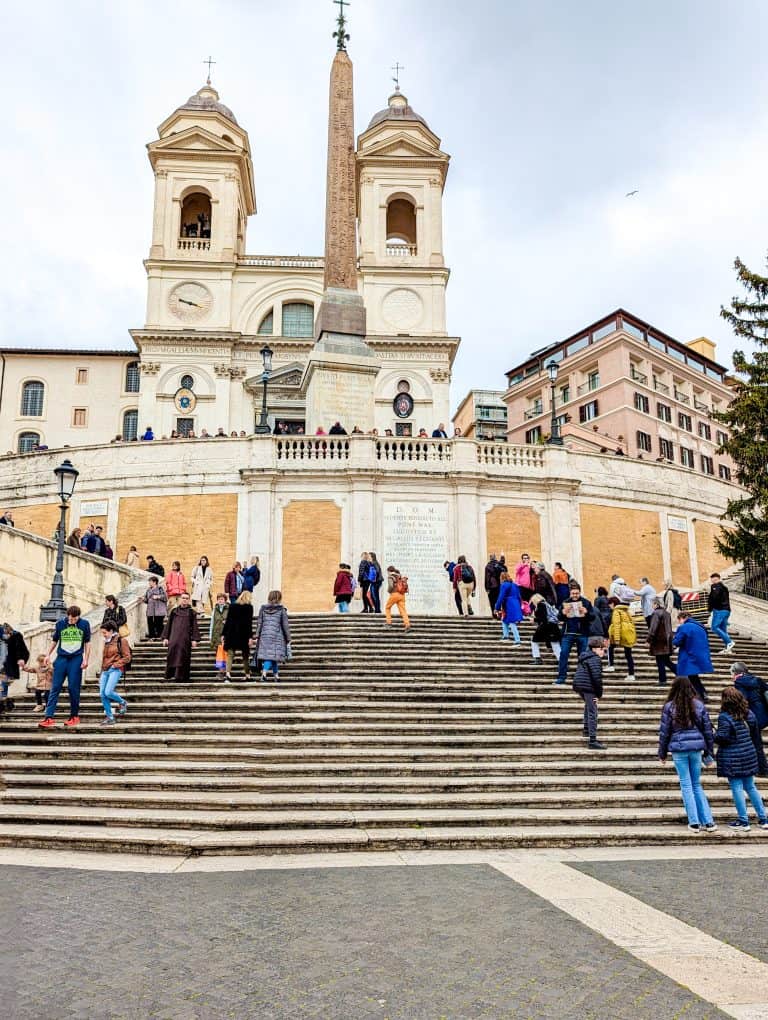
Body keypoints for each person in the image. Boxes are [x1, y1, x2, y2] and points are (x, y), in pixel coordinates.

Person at [657, 675, 717, 833]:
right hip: (697, 749)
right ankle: (709, 822)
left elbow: (664, 732)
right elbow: (708, 731)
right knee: (697, 784)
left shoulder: (669, 706)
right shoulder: (698, 704)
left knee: (686, 785)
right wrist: (709, 752)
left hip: (679, 749)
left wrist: (662, 753)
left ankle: (694, 822)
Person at [714, 686, 768, 831]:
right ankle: (763, 819)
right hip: (748, 753)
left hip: (733, 757)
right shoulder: (749, 713)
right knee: (750, 787)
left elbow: (723, 738)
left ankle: (743, 821)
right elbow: (754, 733)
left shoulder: (724, 716)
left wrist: (714, 734)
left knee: (737, 788)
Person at [38, 605, 91, 729]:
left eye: (74, 619)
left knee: (73, 688)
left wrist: (86, 659)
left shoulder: (84, 624)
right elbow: (55, 640)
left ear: (78, 616)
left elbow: (87, 643)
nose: (72, 621)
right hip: (61, 658)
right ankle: (48, 717)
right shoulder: (60, 624)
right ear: (67, 615)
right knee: (54, 687)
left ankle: (74, 716)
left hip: (76, 658)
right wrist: (47, 655)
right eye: (70, 619)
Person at [554, 584, 594, 685]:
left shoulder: (586, 602)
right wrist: (563, 613)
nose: (575, 595)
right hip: (568, 633)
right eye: (573, 593)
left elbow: (593, 617)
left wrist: (586, 613)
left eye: (577, 593)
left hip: (582, 633)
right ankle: (561, 677)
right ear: (570, 593)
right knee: (563, 654)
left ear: (580, 592)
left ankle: (582, 678)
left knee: (583, 657)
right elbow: (559, 618)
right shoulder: (565, 602)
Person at [573, 636, 607, 750]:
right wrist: (599, 694)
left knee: (588, 707)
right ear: (595, 649)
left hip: (581, 686)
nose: (604, 652)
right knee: (593, 711)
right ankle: (592, 740)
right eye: (602, 649)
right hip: (588, 687)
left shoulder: (586, 657)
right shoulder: (595, 659)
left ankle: (587, 730)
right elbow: (597, 678)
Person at [673, 611, 713, 702]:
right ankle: (702, 694)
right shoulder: (701, 627)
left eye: (679, 620)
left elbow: (677, 641)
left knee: (682, 676)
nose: (679, 622)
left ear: (682, 618)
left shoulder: (684, 627)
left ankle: (681, 697)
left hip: (689, 656)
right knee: (693, 676)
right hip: (701, 655)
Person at [97, 621, 131, 726]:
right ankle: (110, 717)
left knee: (108, 692)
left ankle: (122, 702)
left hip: (115, 669)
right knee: (102, 694)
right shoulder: (106, 642)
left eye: (104, 633)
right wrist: (102, 670)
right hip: (105, 670)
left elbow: (127, 657)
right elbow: (104, 657)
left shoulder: (121, 641)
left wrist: (115, 665)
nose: (103, 635)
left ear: (111, 631)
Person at [162, 592, 200, 682]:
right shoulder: (174, 611)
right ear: (180, 599)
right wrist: (165, 637)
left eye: (187, 598)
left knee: (183, 656)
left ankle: (181, 677)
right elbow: (169, 625)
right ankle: (170, 674)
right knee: (172, 655)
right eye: (183, 598)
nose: (185, 600)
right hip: (174, 637)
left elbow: (194, 626)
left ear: (189, 600)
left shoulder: (192, 612)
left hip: (185, 639)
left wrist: (194, 639)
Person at [254, 590, 291, 681]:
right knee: (271, 656)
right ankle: (264, 673)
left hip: (264, 636)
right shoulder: (281, 610)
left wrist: (257, 635)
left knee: (272, 656)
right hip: (277, 636)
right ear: (279, 598)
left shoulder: (263, 609)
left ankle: (276, 675)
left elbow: (259, 623)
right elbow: (285, 625)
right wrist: (288, 638)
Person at [222, 590, 254, 681]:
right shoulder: (249, 607)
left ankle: (228, 674)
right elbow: (249, 623)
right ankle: (247, 675)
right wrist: (250, 637)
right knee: (245, 655)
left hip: (231, 633)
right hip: (243, 634)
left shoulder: (232, 606)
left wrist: (223, 634)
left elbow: (228, 621)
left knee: (230, 654)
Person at [647, 597, 677, 686]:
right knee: (667, 661)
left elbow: (653, 628)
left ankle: (662, 680)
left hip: (659, 642)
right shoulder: (667, 613)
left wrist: (648, 639)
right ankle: (681, 674)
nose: (652, 606)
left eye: (653, 604)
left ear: (656, 604)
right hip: (667, 641)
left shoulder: (656, 613)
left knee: (660, 661)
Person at [730, 661, 768, 731]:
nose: (731, 676)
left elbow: (742, 700)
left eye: (731, 673)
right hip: (764, 713)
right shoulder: (756, 679)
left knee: (754, 738)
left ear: (735, 672)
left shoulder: (739, 682)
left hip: (753, 716)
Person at [607, 597, 637, 681]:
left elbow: (617, 625)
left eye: (609, 604)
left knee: (610, 647)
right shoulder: (625, 611)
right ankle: (631, 674)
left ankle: (611, 665)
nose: (609, 607)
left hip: (621, 634)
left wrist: (616, 638)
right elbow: (632, 622)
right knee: (628, 655)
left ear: (612, 603)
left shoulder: (616, 611)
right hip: (628, 634)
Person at [529, 593, 562, 665]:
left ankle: (537, 658)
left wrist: (534, 620)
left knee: (534, 641)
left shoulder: (541, 605)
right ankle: (561, 661)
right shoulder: (547, 604)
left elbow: (543, 618)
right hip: (553, 626)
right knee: (555, 644)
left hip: (546, 627)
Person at [0, 622, 29, 700]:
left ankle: (3, 701)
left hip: (7, 662)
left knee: (3, 681)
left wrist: (21, 658)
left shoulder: (16, 635)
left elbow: (20, 648)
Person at [494, 572, 523, 645]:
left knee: (512, 622)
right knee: (505, 620)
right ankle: (506, 636)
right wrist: (519, 606)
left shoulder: (504, 585)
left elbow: (501, 597)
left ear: (501, 578)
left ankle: (517, 640)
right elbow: (519, 597)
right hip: (515, 603)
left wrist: (497, 607)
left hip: (509, 604)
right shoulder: (515, 585)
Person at [708, 572, 734, 653]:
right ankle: (728, 649)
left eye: (714, 579)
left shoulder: (715, 586)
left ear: (717, 579)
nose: (713, 581)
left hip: (720, 610)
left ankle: (729, 642)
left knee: (714, 627)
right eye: (712, 580)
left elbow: (714, 598)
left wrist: (710, 608)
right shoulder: (724, 587)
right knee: (723, 630)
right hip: (726, 611)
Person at [209, 593, 230, 680]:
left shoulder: (229, 609)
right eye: (219, 599)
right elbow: (212, 622)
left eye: (222, 599)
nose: (220, 600)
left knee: (226, 653)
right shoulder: (215, 609)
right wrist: (210, 635)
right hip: (217, 634)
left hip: (226, 634)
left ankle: (226, 671)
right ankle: (221, 671)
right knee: (219, 654)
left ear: (225, 600)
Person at [384, 566, 411, 632]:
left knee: (387, 607)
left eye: (387, 571)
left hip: (395, 594)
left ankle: (389, 623)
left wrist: (389, 591)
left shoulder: (391, 576)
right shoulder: (400, 576)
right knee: (403, 611)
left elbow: (391, 586)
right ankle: (407, 625)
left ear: (389, 571)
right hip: (402, 595)